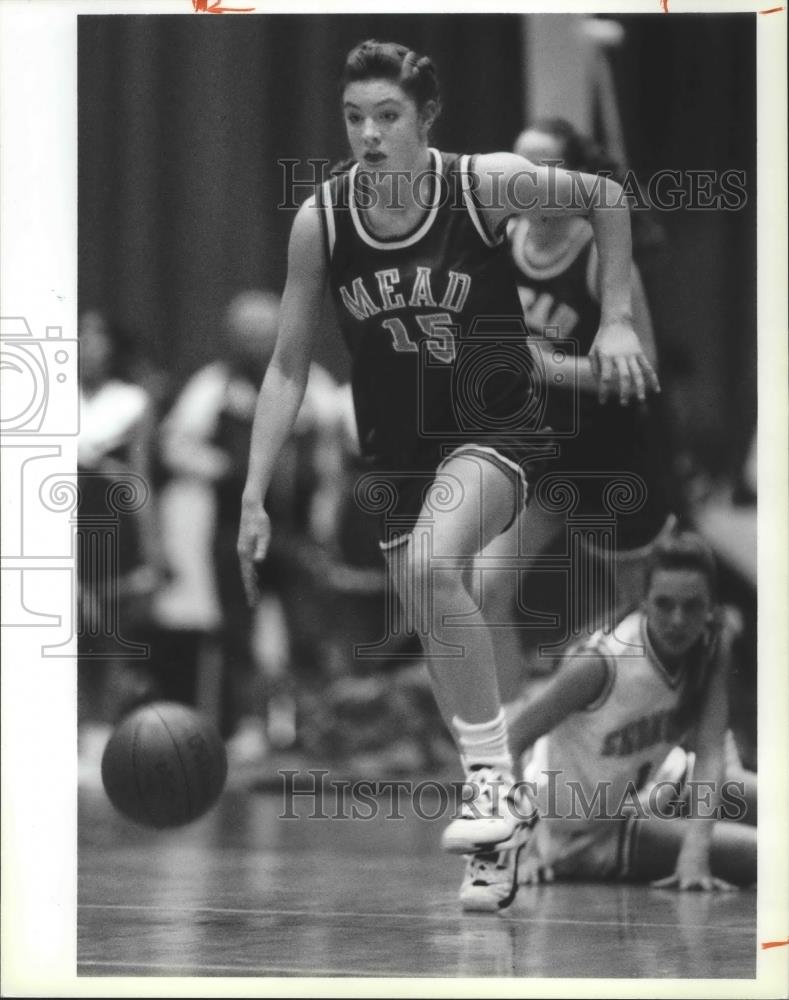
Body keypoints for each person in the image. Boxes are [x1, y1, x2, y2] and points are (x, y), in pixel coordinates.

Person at [237, 40, 659, 895]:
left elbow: (606, 197)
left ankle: (495, 791)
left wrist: (613, 319)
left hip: (491, 427)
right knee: (439, 626)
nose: (367, 133)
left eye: (386, 116)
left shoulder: (483, 183)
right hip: (392, 451)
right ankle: (496, 814)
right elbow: (285, 368)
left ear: (426, 119)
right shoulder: (322, 220)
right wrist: (253, 491)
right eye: (354, 117)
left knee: (436, 565)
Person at [475, 118, 675, 702]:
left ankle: (648, 752)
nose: (523, 179)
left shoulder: (602, 259)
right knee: (484, 591)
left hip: (612, 461)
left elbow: (645, 375)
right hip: (541, 457)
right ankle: (509, 747)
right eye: (516, 164)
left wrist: (545, 366)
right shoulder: (503, 239)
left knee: (642, 621)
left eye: (542, 167)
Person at [460, 531, 756, 911]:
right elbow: (507, 741)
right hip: (581, 831)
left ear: (711, 607)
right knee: (765, 855)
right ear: (644, 603)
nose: (678, 620)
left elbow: (711, 751)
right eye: (664, 605)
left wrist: (693, 854)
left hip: (654, 786)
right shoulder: (600, 664)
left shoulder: (711, 645)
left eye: (692, 606)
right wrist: (523, 845)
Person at [160, 290, 345, 761]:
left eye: (266, 333)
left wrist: (326, 522)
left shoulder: (314, 383)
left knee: (307, 633)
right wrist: (224, 469)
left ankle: (313, 728)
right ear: (232, 338)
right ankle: (249, 728)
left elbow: (331, 460)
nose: (258, 344)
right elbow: (175, 446)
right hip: (234, 533)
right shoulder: (212, 387)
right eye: (248, 335)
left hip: (296, 532)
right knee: (238, 633)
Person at [77, 309, 164, 772]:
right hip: (58, 520)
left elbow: (141, 477)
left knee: (106, 633)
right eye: (80, 336)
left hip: (110, 523)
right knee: (64, 632)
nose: (88, 346)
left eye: (97, 337)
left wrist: (154, 551)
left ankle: (97, 740)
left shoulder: (131, 400)